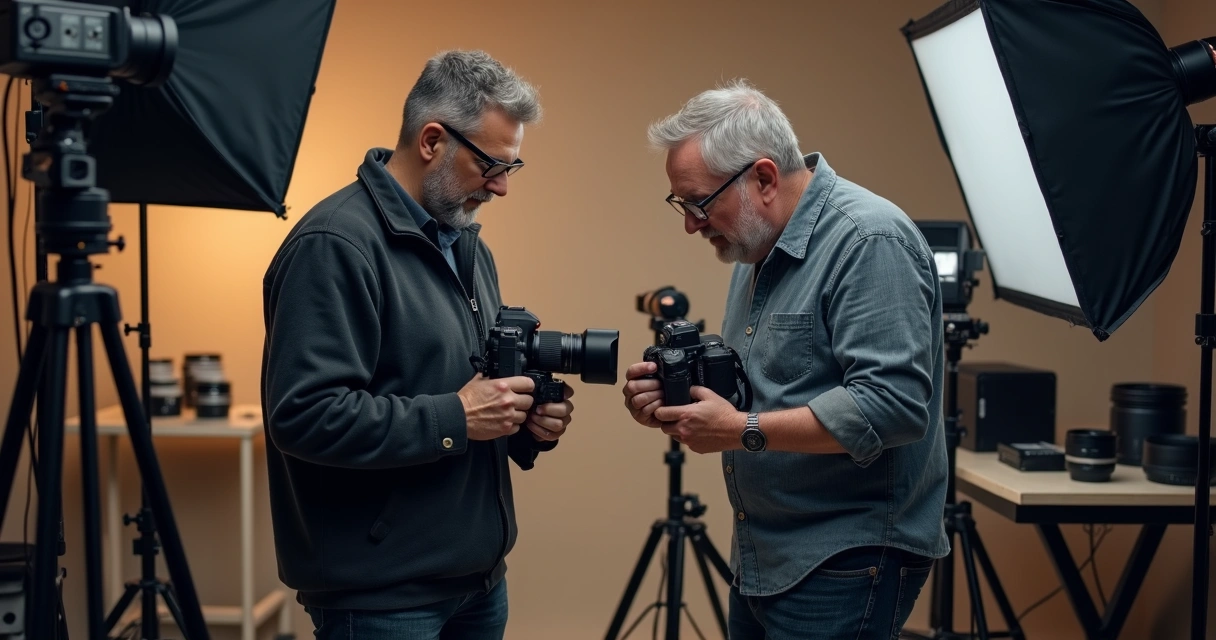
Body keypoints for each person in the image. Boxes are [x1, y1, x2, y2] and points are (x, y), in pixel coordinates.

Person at [261, 49, 572, 639]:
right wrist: (456, 414)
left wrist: (523, 424)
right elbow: (303, 416)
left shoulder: (466, 247)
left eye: (514, 166)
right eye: (491, 165)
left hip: (476, 584)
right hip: (381, 599)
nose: (503, 187)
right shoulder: (335, 246)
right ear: (432, 140)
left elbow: (461, 390)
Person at [622, 79, 949, 639]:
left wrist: (739, 429)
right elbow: (766, 389)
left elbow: (890, 407)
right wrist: (679, 399)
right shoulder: (757, 248)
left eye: (700, 203)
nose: (690, 224)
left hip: (846, 557)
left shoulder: (868, 240)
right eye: (682, 203)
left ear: (764, 178)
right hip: (766, 551)